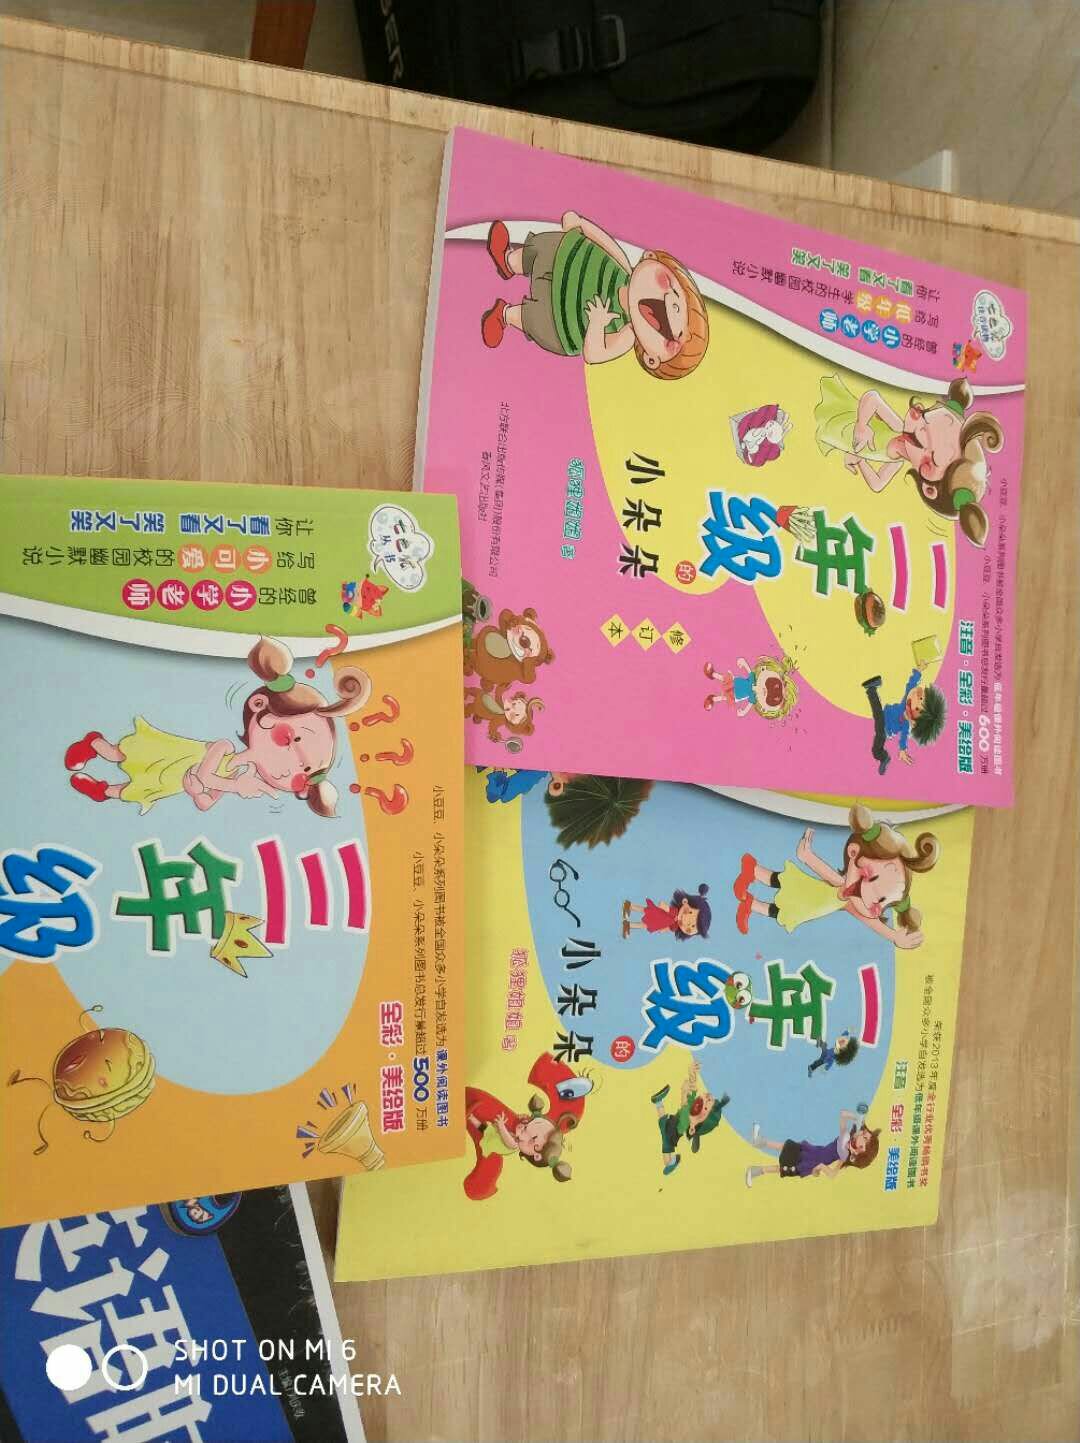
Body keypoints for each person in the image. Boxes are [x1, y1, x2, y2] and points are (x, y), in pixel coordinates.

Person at [63, 636, 370, 817]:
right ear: (259, 706)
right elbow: (207, 774)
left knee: (138, 790)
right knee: (124, 754)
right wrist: (233, 786)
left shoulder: (243, 774)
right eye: (294, 739)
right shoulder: (224, 749)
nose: (293, 763)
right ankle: (94, 744)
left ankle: (102, 791)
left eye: (287, 776)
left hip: (173, 781)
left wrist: (197, 794)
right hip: (174, 756)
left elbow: (207, 802)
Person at [480, 212, 709, 379]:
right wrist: (581, 224)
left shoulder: (626, 335)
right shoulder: (623, 268)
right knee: (542, 249)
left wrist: (597, 323)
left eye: (670, 340)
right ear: (650, 258)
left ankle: (505, 315)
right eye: (668, 284)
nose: (670, 305)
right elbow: (606, 243)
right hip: (566, 256)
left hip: (560, 322)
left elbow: (593, 354)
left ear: (651, 358)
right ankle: (509, 261)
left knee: (535, 319)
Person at [814, 374, 1001, 547]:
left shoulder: (896, 461)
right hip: (839, 415)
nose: (916, 419)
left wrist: (860, 461)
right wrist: (862, 425)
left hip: (833, 436)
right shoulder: (897, 427)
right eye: (926, 416)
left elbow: (878, 484)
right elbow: (872, 398)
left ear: (928, 488)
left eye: (930, 459)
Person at [733, 803, 939, 949]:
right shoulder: (844, 889)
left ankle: (751, 905)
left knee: (784, 912)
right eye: (872, 879)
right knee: (784, 882)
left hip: (808, 906)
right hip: (809, 892)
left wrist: (894, 936)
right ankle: (753, 871)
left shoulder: (851, 901)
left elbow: (871, 921)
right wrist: (807, 857)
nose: (873, 904)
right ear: (853, 853)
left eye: (883, 902)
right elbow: (829, 875)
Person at [745, 1110, 879, 1185]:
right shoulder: (845, 1137)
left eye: (864, 1140)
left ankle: (754, 1171)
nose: (862, 1135)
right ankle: (758, 1142)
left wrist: (821, 1167)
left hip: (811, 1163)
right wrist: (857, 1118)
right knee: (785, 1147)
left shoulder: (845, 1155)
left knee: (783, 1168)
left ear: (860, 1152)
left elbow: (832, 1174)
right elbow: (843, 1114)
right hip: (812, 1151)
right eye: (864, 1134)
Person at [651, 1061, 729, 1176]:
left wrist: (683, 1092)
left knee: (666, 1140)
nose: (706, 1099)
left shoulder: (687, 1120)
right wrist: (692, 1074)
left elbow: (685, 1106)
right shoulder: (692, 1107)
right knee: (663, 1126)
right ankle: (658, 1102)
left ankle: (668, 1165)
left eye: (706, 1107)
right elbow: (692, 1089)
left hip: (672, 1131)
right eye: (708, 1098)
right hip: (671, 1125)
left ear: (693, 1128)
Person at [863, 669, 946, 774]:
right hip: (884, 716)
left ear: (916, 723)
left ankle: (884, 757)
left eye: (917, 709)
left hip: (884, 730)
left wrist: (902, 750)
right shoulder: (905, 704)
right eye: (919, 697)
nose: (914, 702)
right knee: (877, 713)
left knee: (875, 750)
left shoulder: (905, 725)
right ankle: (872, 689)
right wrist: (918, 672)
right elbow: (910, 686)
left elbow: (903, 738)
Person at [622, 885, 711, 940]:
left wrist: (665, 929)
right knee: (644, 910)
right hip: (658, 914)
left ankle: (628, 925)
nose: (687, 923)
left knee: (645, 925)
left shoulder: (676, 926)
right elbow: (667, 909)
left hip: (658, 924)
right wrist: (665, 907)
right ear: (685, 902)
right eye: (690, 913)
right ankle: (629, 906)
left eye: (692, 927)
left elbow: (670, 928)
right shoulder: (675, 912)